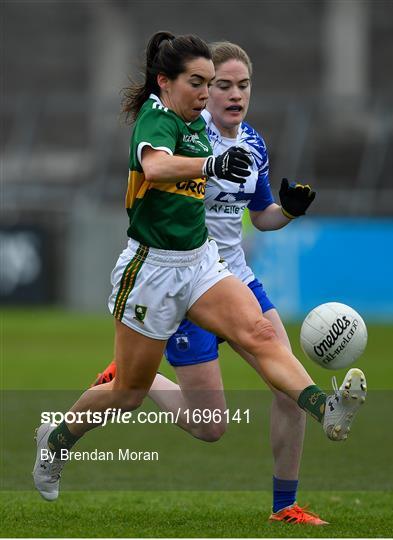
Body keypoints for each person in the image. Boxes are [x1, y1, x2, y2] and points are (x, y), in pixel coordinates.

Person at [33, 31, 367, 507]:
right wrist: (211, 164)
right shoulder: (157, 119)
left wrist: (284, 208)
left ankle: (325, 408)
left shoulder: (206, 128)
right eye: (199, 83)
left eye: (213, 83)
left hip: (202, 263)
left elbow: (252, 206)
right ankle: (57, 438)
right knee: (129, 392)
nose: (209, 94)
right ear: (165, 82)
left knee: (262, 334)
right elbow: (156, 169)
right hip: (152, 271)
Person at [92, 41, 330, 525]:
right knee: (210, 427)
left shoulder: (254, 144)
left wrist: (287, 211)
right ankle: (134, 377)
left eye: (243, 86)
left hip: (233, 277)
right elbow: (156, 179)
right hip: (182, 282)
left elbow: (260, 218)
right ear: (197, 87)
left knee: (286, 385)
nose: (233, 94)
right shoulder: (185, 133)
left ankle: (285, 505)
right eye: (221, 84)